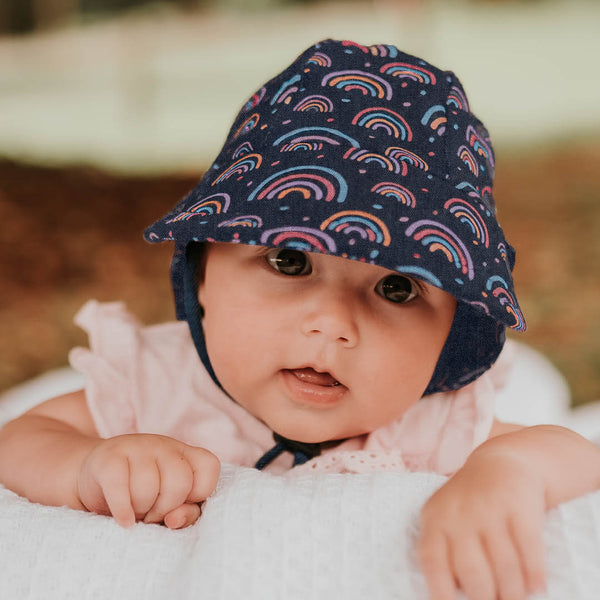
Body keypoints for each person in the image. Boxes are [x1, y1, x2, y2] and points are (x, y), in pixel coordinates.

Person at [0, 39, 598, 600]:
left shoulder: (428, 420)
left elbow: (577, 456)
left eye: (396, 287)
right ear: (202, 273)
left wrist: (508, 468)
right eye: (289, 261)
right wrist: (86, 465)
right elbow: (22, 440)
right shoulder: (156, 381)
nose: (331, 325)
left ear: (451, 332)